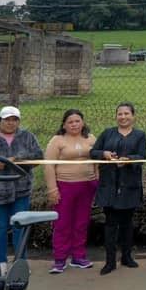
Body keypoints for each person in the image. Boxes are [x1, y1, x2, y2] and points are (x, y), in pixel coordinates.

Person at [0, 106, 43, 277]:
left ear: (18, 121)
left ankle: (21, 262)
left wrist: (19, 161)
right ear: (0, 121)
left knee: (21, 226)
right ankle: (2, 262)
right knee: (0, 227)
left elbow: (38, 157)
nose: (11, 123)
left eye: (14, 119)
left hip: (21, 189)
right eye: (7, 119)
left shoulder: (28, 137)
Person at [90, 102, 146, 275]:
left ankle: (127, 257)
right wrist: (104, 154)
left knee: (127, 223)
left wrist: (128, 160)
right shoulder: (108, 133)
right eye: (120, 114)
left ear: (133, 116)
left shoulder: (140, 135)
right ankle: (109, 261)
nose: (123, 117)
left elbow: (142, 156)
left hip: (129, 186)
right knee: (110, 223)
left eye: (126, 114)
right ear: (116, 116)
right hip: (109, 185)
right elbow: (94, 152)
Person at [44, 109, 98, 274]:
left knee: (82, 222)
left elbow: (98, 161)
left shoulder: (91, 138)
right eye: (70, 122)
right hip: (65, 186)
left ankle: (78, 256)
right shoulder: (57, 140)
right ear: (64, 124)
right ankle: (60, 259)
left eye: (77, 121)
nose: (74, 124)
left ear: (83, 122)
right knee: (62, 223)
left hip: (87, 186)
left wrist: (97, 181)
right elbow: (48, 165)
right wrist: (53, 189)